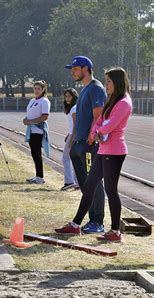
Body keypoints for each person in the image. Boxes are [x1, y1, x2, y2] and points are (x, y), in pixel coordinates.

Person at [55, 68, 132, 242]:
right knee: (89, 186)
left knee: (111, 191)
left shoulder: (124, 102)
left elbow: (111, 124)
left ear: (118, 82)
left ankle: (115, 231)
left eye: (109, 81)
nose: (106, 85)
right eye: (105, 81)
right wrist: (95, 130)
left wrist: (98, 132)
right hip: (104, 150)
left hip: (115, 152)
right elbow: (99, 120)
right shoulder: (112, 99)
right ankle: (75, 225)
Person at [66, 56, 106, 234]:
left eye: (75, 69)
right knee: (84, 184)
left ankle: (97, 221)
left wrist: (91, 138)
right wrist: (74, 141)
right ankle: (90, 218)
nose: (72, 72)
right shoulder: (84, 89)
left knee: (94, 183)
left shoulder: (96, 88)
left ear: (85, 68)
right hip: (80, 143)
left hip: (90, 144)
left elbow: (98, 116)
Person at [23, 80, 51, 184]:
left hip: (38, 131)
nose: (36, 90)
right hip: (31, 130)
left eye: (39, 89)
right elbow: (31, 113)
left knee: (37, 153)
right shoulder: (32, 101)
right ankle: (37, 175)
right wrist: (26, 120)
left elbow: (44, 116)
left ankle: (40, 177)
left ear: (43, 89)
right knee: (34, 153)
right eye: (35, 88)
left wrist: (30, 121)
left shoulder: (44, 101)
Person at [61, 88, 79, 191]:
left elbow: (76, 125)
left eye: (69, 96)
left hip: (74, 136)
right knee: (74, 159)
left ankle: (69, 181)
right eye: (66, 96)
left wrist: (72, 138)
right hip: (72, 135)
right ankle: (77, 182)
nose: (67, 98)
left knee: (65, 158)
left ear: (74, 97)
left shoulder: (74, 108)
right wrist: (68, 135)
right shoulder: (73, 108)